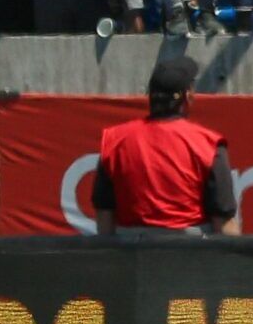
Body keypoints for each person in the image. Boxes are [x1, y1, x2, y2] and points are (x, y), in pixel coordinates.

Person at [92, 56, 239, 236]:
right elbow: (223, 220)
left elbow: (104, 217)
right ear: (188, 95)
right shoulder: (208, 144)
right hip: (191, 255)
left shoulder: (114, 141)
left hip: (132, 257)